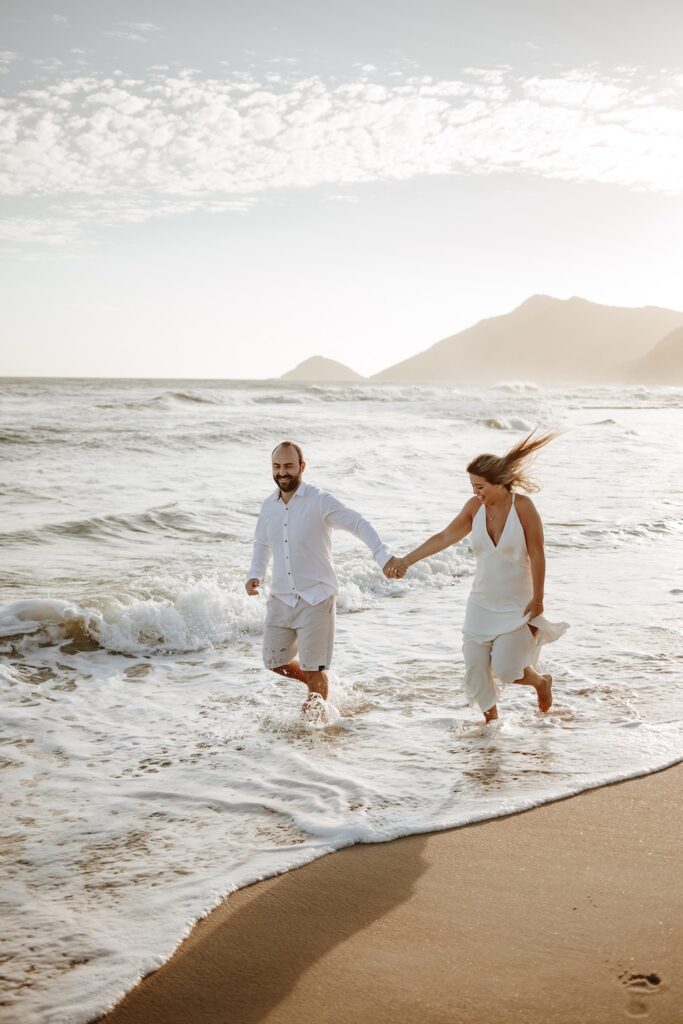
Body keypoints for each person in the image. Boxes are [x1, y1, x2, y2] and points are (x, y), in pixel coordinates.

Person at [394, 431, 568, 722]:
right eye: (473, 486)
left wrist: (539, 599)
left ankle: (541, 682)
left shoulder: (522, 507)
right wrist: (407, 560)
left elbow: (537, 553)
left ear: (499, 482)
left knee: (507, 670)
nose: (476, 492)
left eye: (480, 486)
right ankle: (492, 726)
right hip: (481, 603)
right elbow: (445, 536)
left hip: (517, 604)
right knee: (475, 668)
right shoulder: (474, 507)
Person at [245, 441, 402, 713]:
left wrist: (383, 557)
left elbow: (357, 523)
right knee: (274, 661)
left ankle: (315, 734)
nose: (282, 472)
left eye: (288, 466)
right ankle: (316, 684)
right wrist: (255, 574)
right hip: (281, 598)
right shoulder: (268, 506)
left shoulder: (319, 501)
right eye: (277, 466)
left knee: (314, 669)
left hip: (316, 598)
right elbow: (262, 544)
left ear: (302, 467)